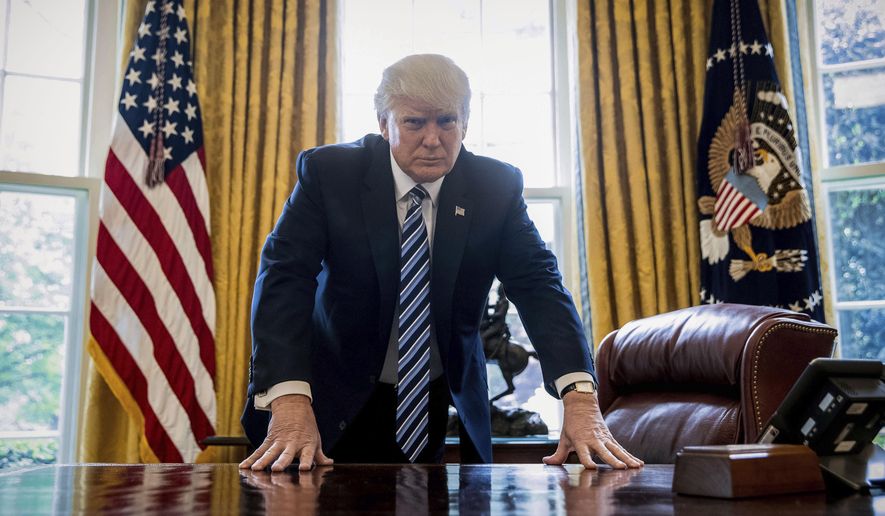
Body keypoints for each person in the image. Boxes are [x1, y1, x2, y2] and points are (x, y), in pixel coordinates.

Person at [239, 54, 642, 472]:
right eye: (414, 123)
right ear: (384, 124)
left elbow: (540, 287)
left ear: (465, 123)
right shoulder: (330, 173)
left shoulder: (494, 188)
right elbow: (284, 277)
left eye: (447, 121)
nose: (433, 138)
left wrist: (579, 397)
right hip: (324, 401)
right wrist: (288, 399)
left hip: (429, 403)